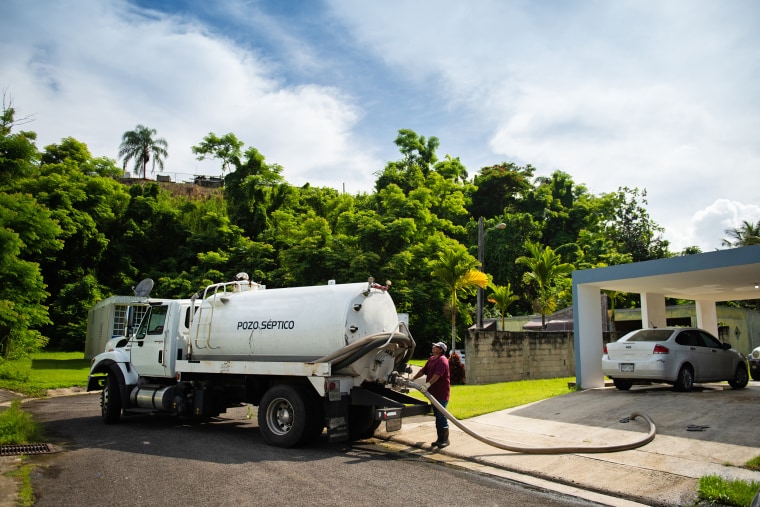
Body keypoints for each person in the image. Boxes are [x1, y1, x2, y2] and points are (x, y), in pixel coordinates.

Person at [412, 341, 451, 448]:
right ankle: (439, 439)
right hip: (433, 393)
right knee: (437, 415)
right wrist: (413, 378)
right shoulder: (432, 359)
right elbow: (423, 370)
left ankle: (445, 440)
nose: (433, 347)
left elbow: (437, 375)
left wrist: (427, 384)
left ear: (441, 350)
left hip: (441, 393)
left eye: (436, 346)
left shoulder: (443, 360)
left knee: (441, 415)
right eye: (434, 346)